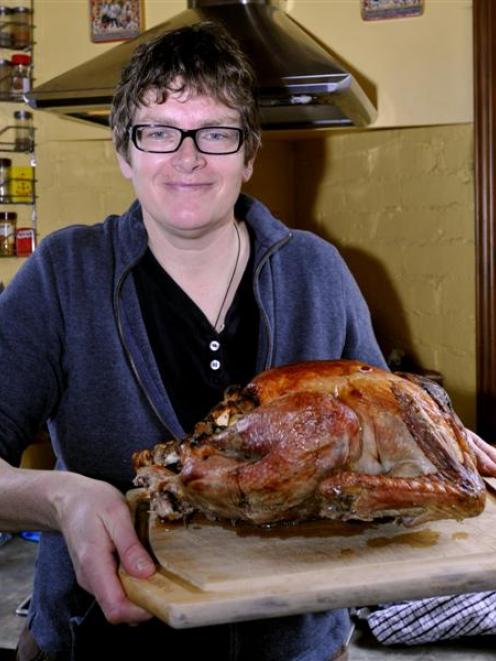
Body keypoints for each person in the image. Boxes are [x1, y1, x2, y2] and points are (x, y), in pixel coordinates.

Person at [0, 21, 494, 661]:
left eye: (215, 132)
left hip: (296, 647)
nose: (187, 156)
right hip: (98, 641)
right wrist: (59, 497)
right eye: (157, 131)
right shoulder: (64, 275)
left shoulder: (317, 271)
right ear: (124, 153)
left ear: (249, 154)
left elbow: (382, 439)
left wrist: (438, 439)